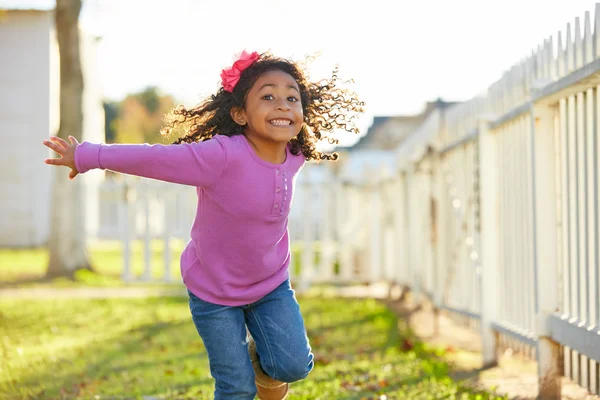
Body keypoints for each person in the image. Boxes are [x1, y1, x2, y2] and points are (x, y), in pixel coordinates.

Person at [43, 50, 363, 400]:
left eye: (292, 98)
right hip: (213, 290)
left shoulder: (295, 156)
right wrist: (89, 155)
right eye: (268, 96)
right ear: (240, 113)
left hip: (270, 284)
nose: (283, 105)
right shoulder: (221, 155)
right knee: (235, 387)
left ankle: (264, 367)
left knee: (293, 366)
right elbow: (155, 158)